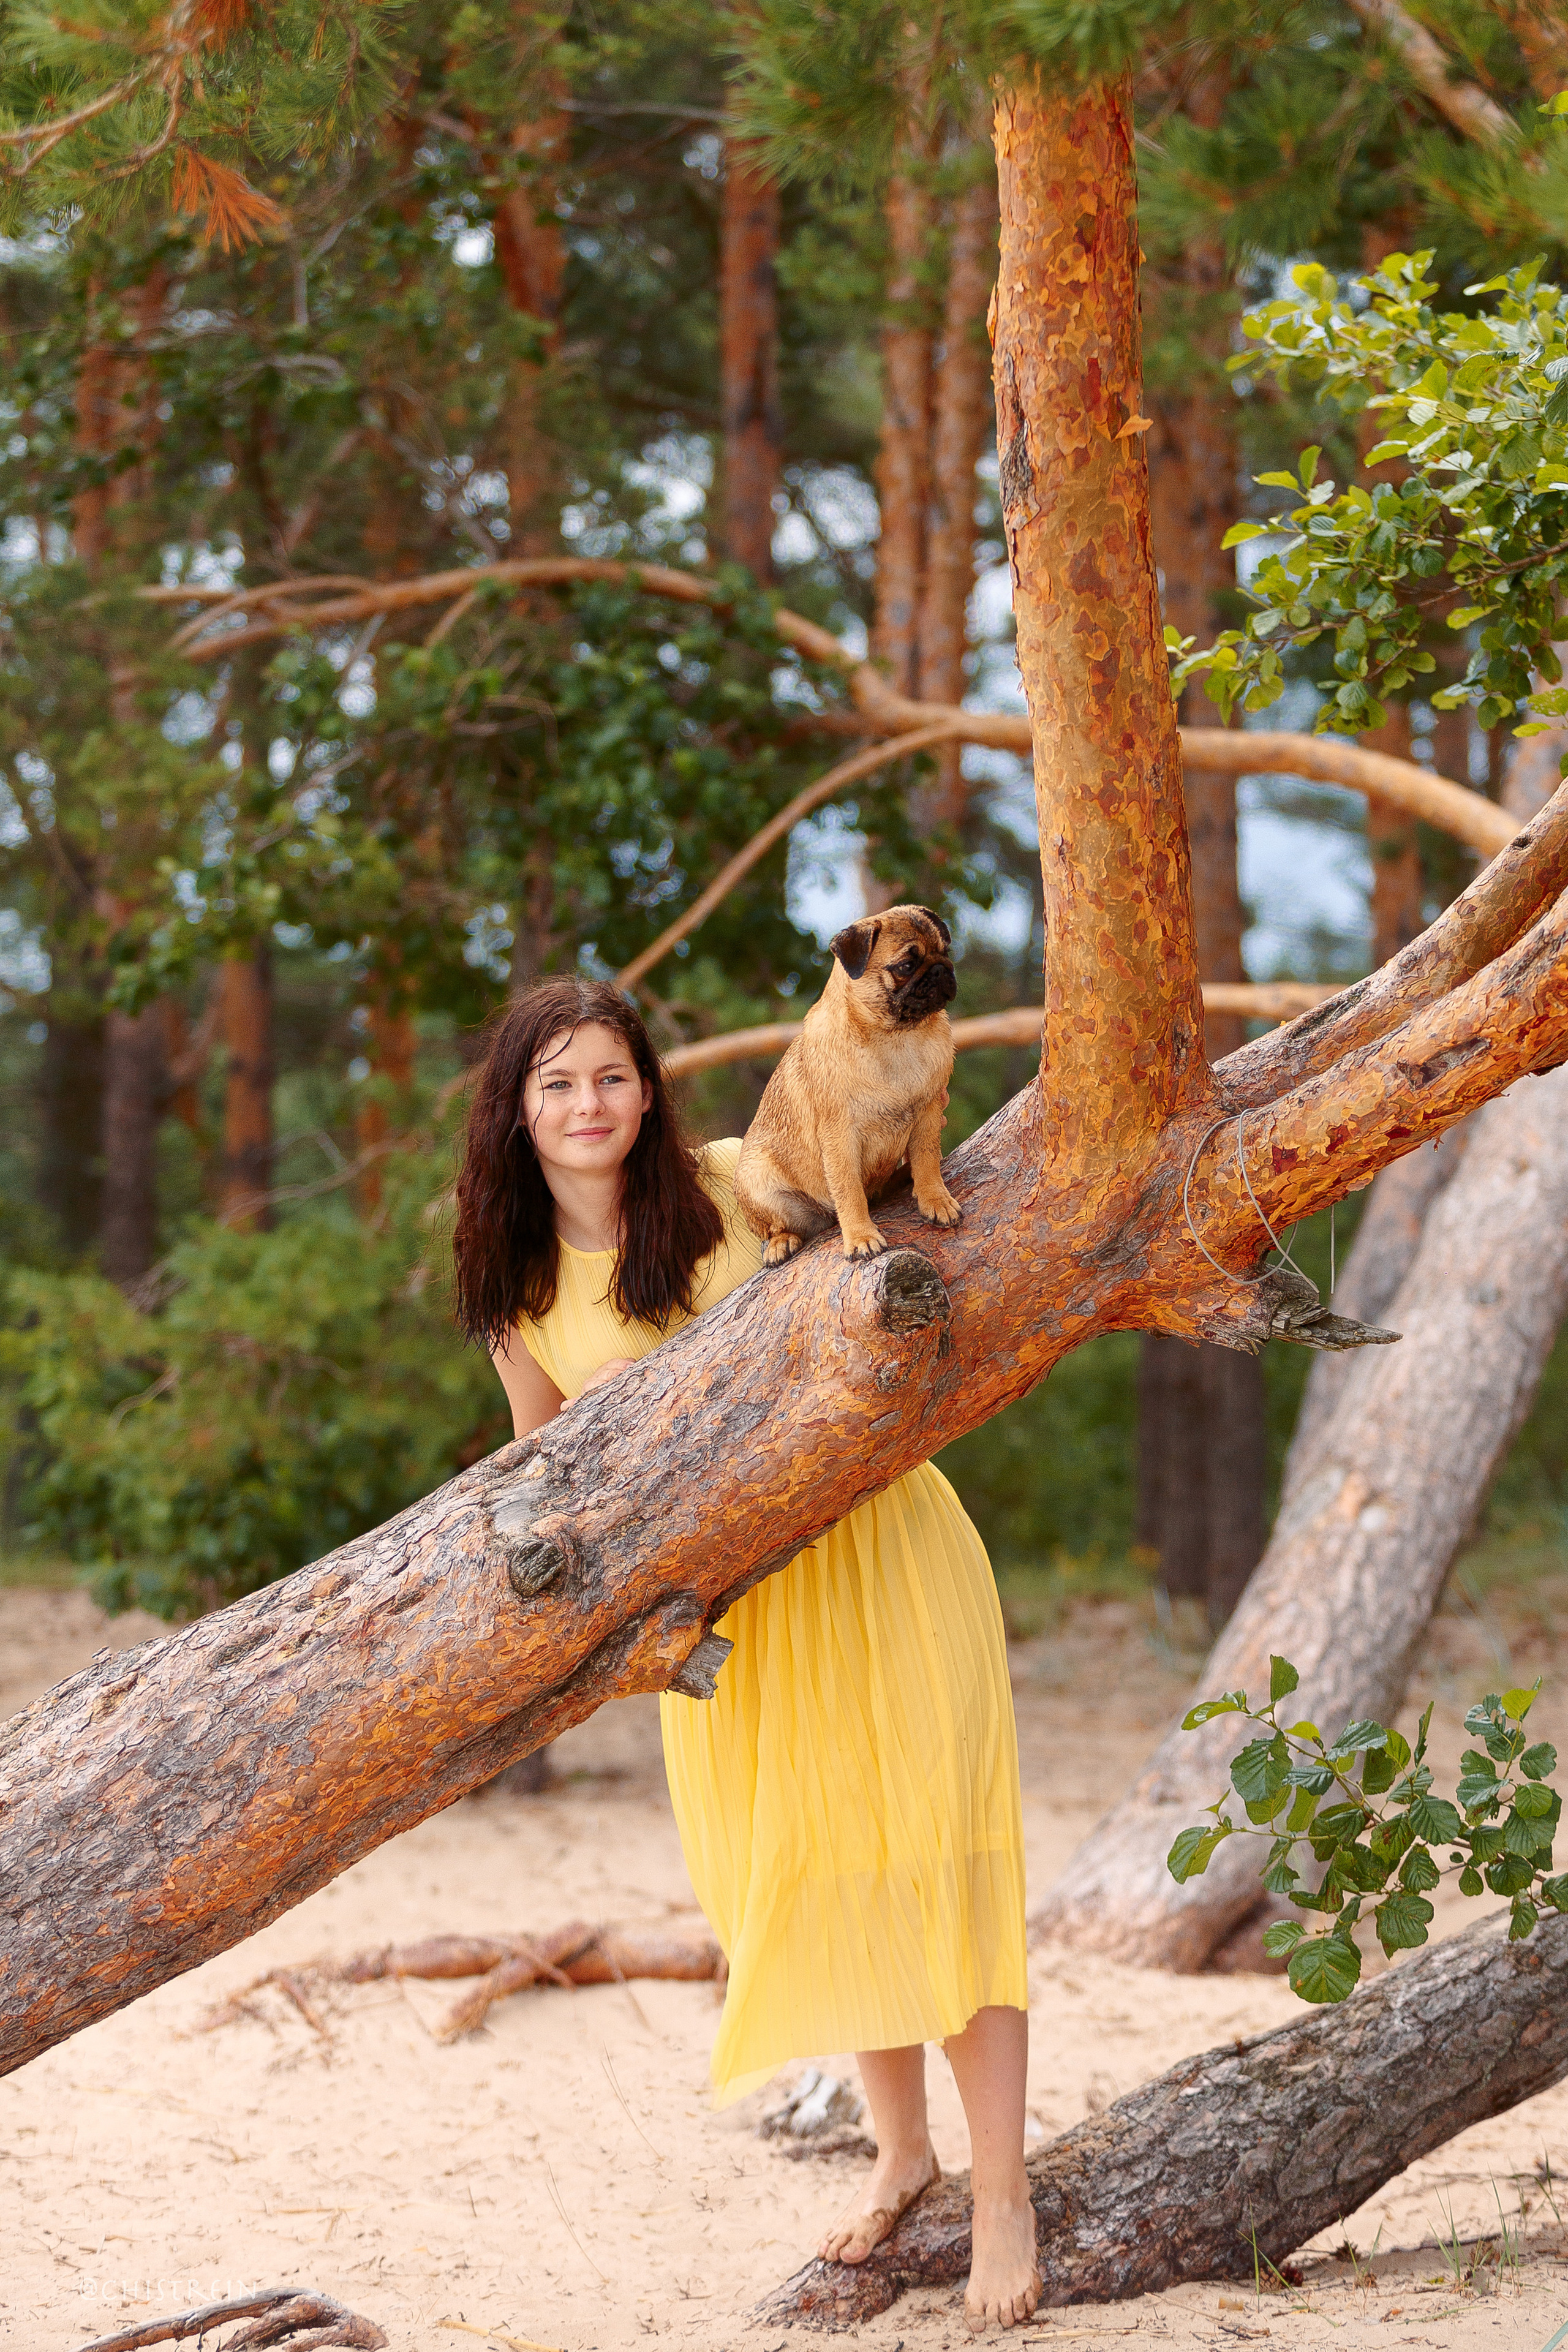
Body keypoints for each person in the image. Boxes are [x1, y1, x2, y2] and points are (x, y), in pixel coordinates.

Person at [452, 975, 1038, 2333]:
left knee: (933, 1857)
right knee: (818, 1871)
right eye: (557, 1085)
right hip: (729, 1620)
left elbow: (885, 1176)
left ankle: (1002, 2193)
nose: (587, 1105)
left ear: (647, 1091)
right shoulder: (519, 1291)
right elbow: (542, 1465)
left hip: (876, 1552)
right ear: (517, 1114)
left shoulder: (731, 1181)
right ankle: (902, 2155)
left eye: (609, 1076)